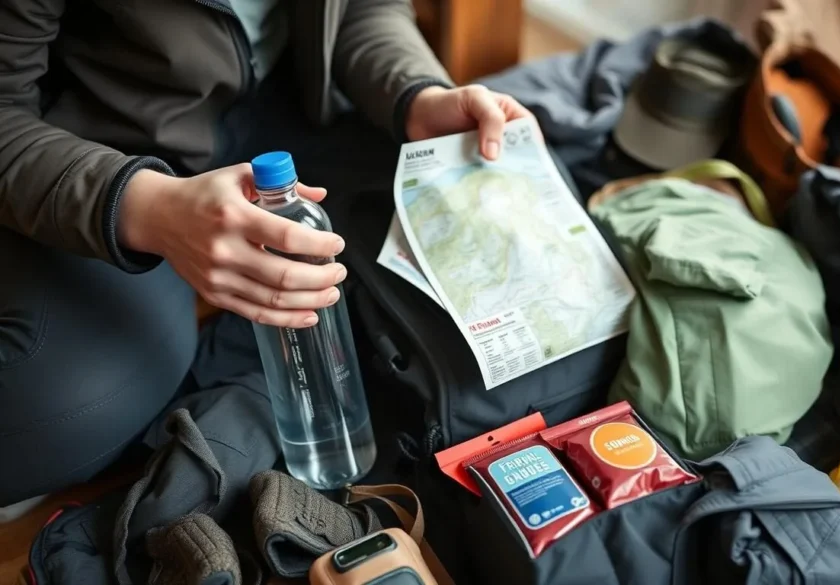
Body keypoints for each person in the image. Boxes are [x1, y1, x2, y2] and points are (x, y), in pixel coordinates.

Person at [0, 0, 532, 509]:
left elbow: (362, 9)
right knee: (65, 410)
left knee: (488, 229)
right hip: (108, 157)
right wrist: (146, 208)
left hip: (293, 109)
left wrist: (417, 93)